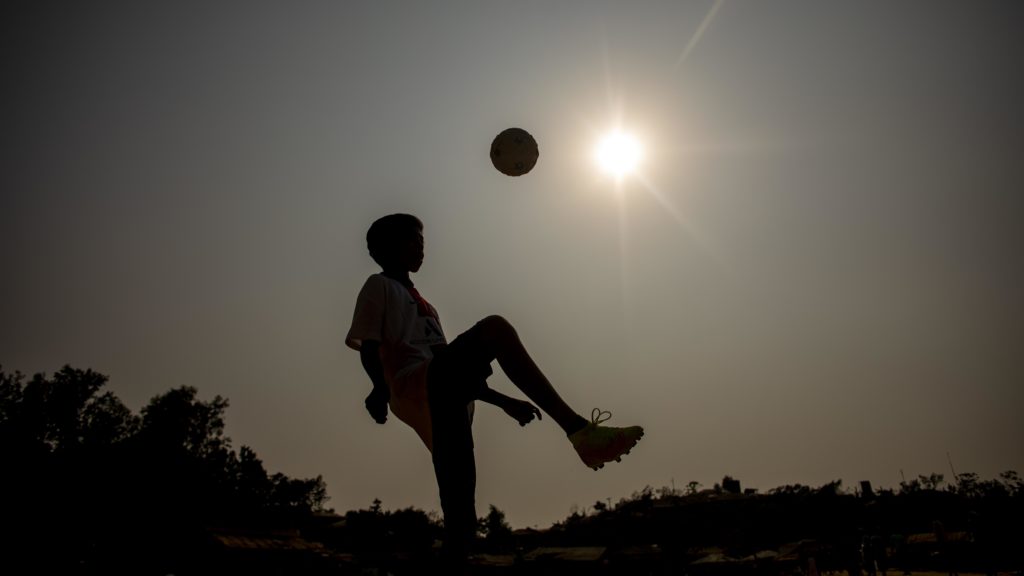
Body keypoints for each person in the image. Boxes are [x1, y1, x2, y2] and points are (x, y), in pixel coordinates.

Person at [345, 213, 644, 568]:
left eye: (422, 240)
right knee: (495, 328)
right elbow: (369, 345)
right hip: (413, 383)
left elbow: (451, 368)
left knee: (462, 516)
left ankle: (453, 561)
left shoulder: (428, 307)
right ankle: (579, 430)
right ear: (386, 249)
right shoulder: (378, 286)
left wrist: (505, 402)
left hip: (446, 394)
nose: (421, 246)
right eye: (412, 240)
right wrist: (378, 389)